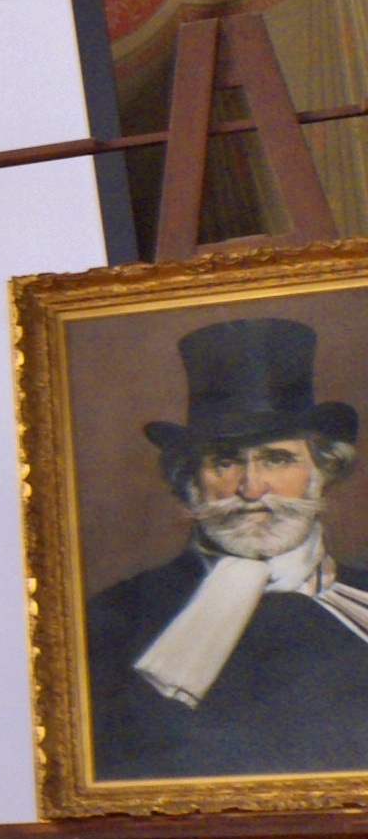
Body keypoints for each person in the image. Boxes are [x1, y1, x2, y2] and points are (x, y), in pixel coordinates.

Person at [81, 315, 368, 782]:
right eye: (226, 462)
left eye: (278, 459)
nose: (252, 489)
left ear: (322, 473)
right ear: (191, 482)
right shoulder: (120, 617)